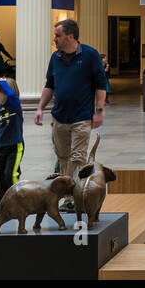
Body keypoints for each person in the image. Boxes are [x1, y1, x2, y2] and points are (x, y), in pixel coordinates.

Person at [35, 20, 107, 210]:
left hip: (82, 117)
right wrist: (40, 107)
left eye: (57, 35)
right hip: (60, 117)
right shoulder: (55, 58)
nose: (55, 39)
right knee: (63, 158)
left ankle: (77, 197)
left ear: (70, 36)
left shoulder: (90, 55)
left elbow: (101, 85)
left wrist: (99, 110)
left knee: (78, 158)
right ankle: (68, 197)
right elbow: (49, 85)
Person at [0, 77, 24, 216]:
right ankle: (2, 213)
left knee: (11, 176)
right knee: (0, 181)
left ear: (6, 92)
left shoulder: (14, 106)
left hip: (14, 146)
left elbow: (12, 96)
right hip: (1, 148)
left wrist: (1, 82)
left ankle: (19, 206)